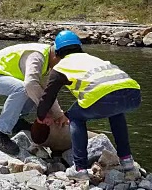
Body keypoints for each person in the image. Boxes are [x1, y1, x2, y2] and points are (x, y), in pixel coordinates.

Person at [36, 30, 142, 179]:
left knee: (76, 117)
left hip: (104, 96)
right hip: (133, 94)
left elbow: (48, 96)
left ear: (57, 52)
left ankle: (80, 169)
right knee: (115, 112)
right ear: (79, 47)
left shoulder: (60, 67)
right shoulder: (93, 58)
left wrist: (41, 116)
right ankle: (128, 163)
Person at [0, 43, 70, 155]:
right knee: (23, 89)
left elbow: (46, 93)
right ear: (55, 56)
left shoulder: (48, 62)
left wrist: (59, 115)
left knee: (34, 90)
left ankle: (16, 122)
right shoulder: (36, 57)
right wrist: (44, 112)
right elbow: (30, 84)